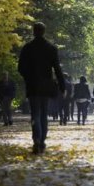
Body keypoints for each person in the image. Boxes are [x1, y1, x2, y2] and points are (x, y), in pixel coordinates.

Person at [18, 22, 65, 154]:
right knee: (44, 114)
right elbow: (57, 68)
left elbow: (20, 68)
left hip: (33, 86)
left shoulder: (27, 48)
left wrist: (28, 78)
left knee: (35, 114)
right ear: (44, 32)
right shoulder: (51, 48)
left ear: (34, 31)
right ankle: (42, 140)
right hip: (46, 86)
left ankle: (36, 139)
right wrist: (62, 85)